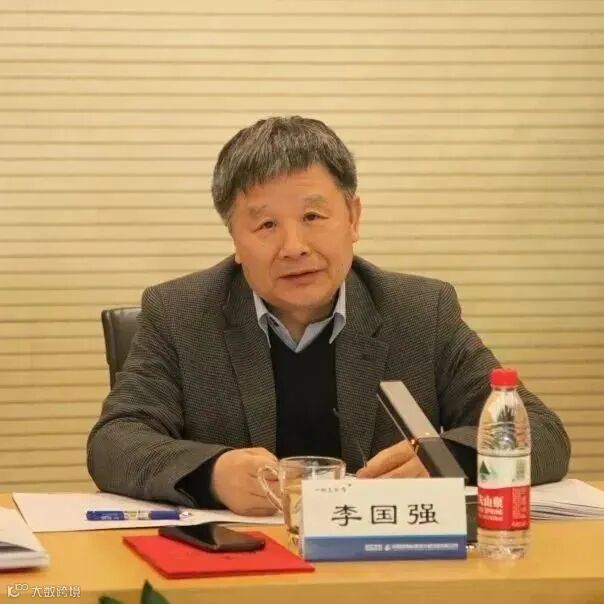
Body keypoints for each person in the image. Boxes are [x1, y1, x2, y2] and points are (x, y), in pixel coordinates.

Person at [87, 116, 570, 515]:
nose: (294, 247)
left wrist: (446, 460)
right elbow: (114, 442)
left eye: (313, 217)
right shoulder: (180, 314)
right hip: (245, 562)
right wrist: (212, 474)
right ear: (235, 239)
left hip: (387, 563)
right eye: (266, 224)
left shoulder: (420, 311)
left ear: (353, 218)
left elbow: (542, 433)